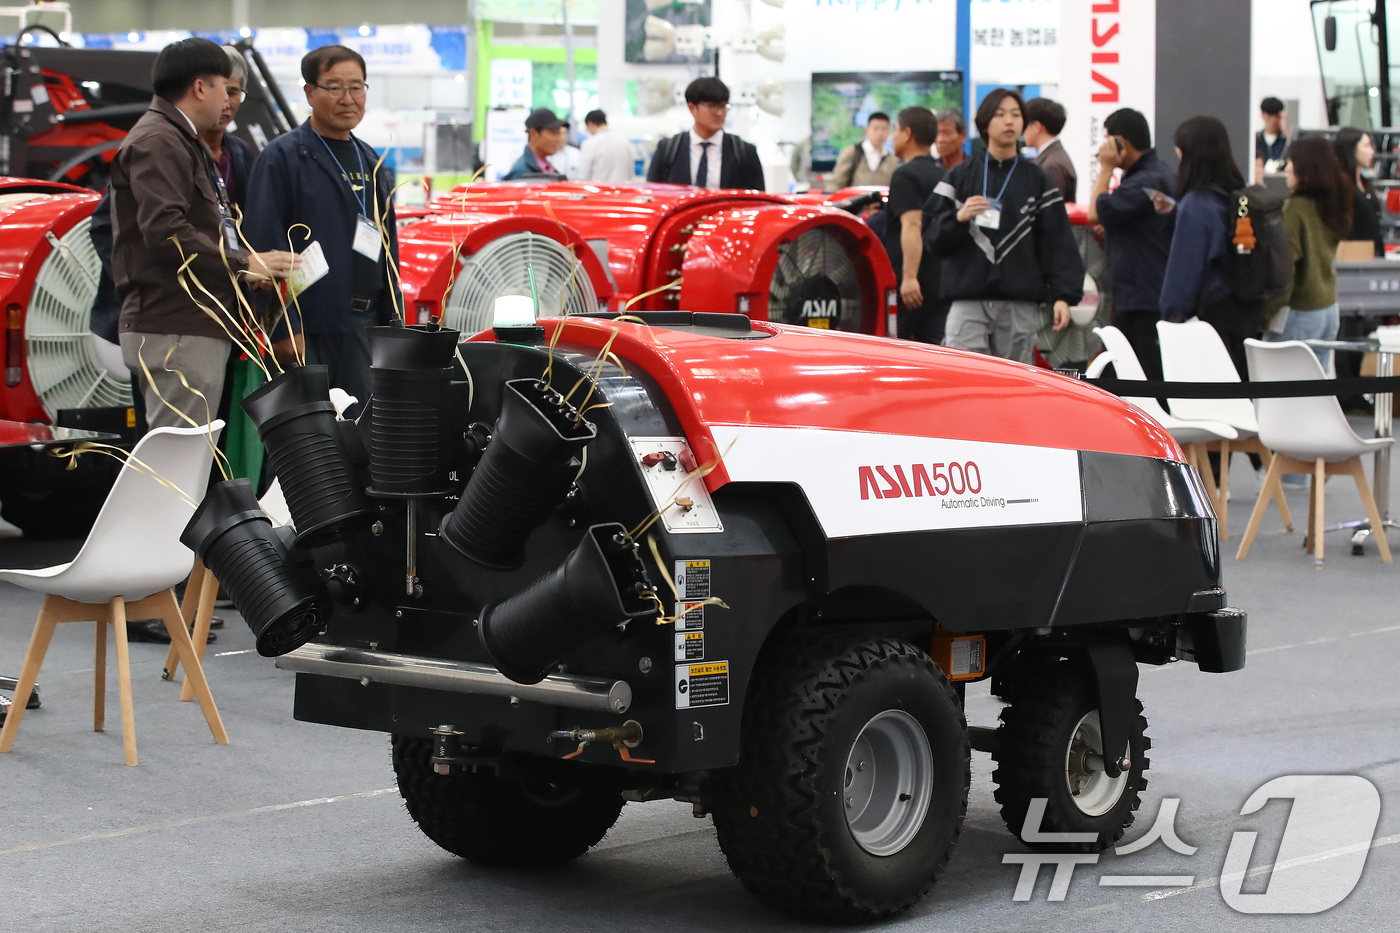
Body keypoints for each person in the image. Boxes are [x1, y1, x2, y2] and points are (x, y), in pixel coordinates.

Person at [113, 37, 295, 430]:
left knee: (189, 460)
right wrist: (245, 264)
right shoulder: (160, 140)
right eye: (223, 88)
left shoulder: (180, 139)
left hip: (189, 325)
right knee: (178, 465)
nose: (228, 101)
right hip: (176, 327)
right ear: (200, 88)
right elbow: (165, 231)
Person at [243, 44, 400, 410]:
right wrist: (283, 329)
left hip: (365, 327)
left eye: (357, 87)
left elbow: (388, 248)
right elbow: (263, 243)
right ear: (310, 92)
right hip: (308, 326)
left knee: (363, 436)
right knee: (312, 441)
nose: (348, 98)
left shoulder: (370, 159)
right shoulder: (282, 157)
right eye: (334, 87)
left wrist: (394, 324)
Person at [925, 89, 1084, 363]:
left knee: (1014, 390)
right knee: (965, 383)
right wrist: (960, 217)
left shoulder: (1037, 179)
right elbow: (931, 237)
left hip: (1019, 305)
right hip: (967, 304)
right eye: (1000, 115)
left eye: (1015, 115)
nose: (1009, 121)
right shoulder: (959, 176)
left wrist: (1063, 295)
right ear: (985, 123)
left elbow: (1057, 241)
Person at [1159, 115, 1261, 379]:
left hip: (1209, 327)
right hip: (1244, 318)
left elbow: (1182, 277)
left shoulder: (1195, 205)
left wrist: (1170, 317)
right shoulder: (1236, 197)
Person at [1086, 107, 1176, 380]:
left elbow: (1093, 213)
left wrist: (1105, 168)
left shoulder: (1142, 182)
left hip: (1142, 298)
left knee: (1140, 378)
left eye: (1107, 139)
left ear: (1120, 141)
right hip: (1145, 293)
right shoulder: (1158, 173)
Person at [1261, 134, 1353, 374]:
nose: (1288, 167)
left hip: (1299, 310)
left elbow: (1285, 268)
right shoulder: (1334, 202)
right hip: (1329, 307)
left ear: (1305, 167)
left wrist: (1267, 313)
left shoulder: (1295, 208)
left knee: (1281, 386)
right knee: (1315, 386)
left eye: (1292, 161)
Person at [880, 107, 945, 343]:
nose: (892, 138)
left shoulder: (905, 175)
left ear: (907, 134)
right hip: (940, 281)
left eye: (895, 131)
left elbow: (912, 225)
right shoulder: (944, 172)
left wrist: (909, 278)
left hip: (913, 286)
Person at [647, 77, 765, 190]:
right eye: (712, 106)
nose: (719, 113)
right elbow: (653, 195)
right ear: (692, 108)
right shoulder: (668, 150)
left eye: (723, 106)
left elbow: (759, 201)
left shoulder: (744, 152)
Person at [1334, 126, 1384, 257]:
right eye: (1366, 146)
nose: (1372, 151)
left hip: (1374, 256)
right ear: (1351, 150)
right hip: (1356, 259)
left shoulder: (1365, 183)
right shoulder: (1343, 185)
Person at [824, 112, 898, 192]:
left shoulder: (892, 159)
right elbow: (836, 183)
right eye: (875, 128)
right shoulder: (852, 153)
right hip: (854, 201)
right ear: (867, 130)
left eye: (884, 129)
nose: (880, 133)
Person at [1024, 97, 1076, 203]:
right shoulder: (1053, 157)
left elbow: (1052, 210)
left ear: (1037, 127)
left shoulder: (1051, 165)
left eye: (1026, 125)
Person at [502, 108, 569, 180]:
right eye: (553, 133)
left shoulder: (546, 167)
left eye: (558, 133)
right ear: (533, 134)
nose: (558, 139)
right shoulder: (521, 173)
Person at [577, 109, 635, 182]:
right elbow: (630, 174)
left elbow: (583, 176)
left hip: (599, 191)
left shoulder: (589, 144)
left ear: (590, 124)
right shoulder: (624, 141)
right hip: (622, 190)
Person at [1254, 96, 1290, 183]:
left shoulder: (1287, 141)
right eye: (1269, 115)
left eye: (1277, 116)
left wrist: (1287, 132)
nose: (1273, 120)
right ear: (1263, 115)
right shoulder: (1255, 140)